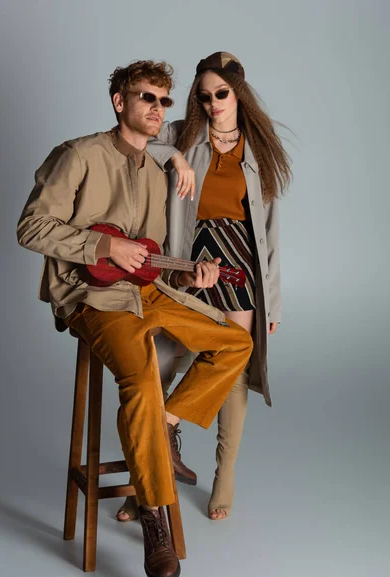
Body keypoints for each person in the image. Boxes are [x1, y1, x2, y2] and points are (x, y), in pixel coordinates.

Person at [16, 60, 253, 577]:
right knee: (141, 377)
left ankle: (163, 424)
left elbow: (150, 261)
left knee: (236, 342)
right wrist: (102, 244)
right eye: (146, 98)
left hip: (144, 293)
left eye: (165, 102)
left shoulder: (155, 173)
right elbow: (30, 226)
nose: (157, 109)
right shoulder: (78, 155)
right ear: (120, 102)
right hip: (92, 298)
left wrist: (193, 278)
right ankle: (153, 516)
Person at [117, 51, 292, 523]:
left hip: (240, 266)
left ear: (238, 93)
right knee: (165, 360)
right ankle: (150, 478)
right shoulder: (182, 133)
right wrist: (174, 154)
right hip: (188, 261)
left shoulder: (260, 148)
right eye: (204, 95)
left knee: (232, 364)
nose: (213, 103)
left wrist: (271, 302)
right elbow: (131, 142)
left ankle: (225, 475)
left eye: (221, 93)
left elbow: (271, 232)